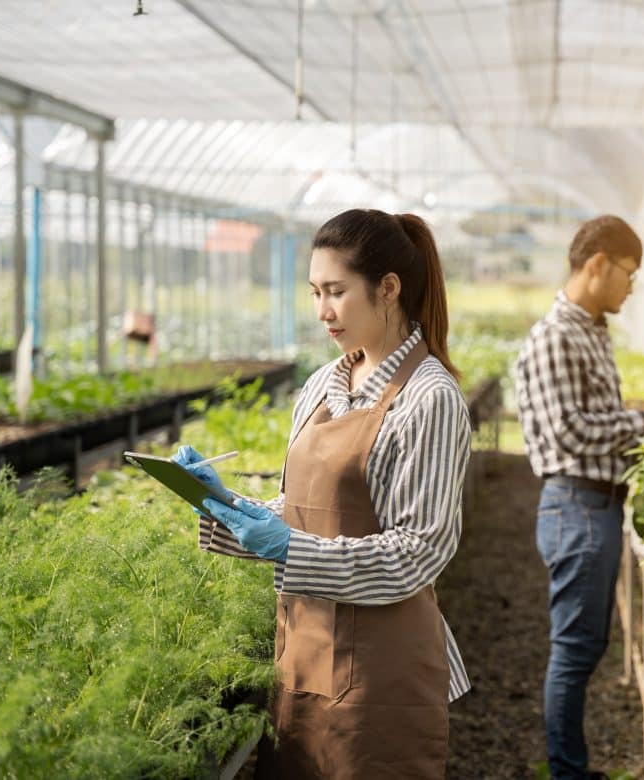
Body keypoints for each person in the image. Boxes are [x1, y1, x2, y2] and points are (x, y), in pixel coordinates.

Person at [171, 208, 471, 779]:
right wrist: (225, 504)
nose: (322, 311)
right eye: (314, 292)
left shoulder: (429, 398)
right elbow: (302, 513)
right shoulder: (322, 385)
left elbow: (419, 550)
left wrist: (290, 549)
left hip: (381, 672)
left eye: (336, 291)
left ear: (388, 288)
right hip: (303, 653)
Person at [515, 215, 644, 780]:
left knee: (586, 644)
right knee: (574, 650)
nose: (632, 287)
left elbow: (594, 418)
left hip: (596, 505)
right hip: (577, 508)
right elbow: (570, 431)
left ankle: (570, 767)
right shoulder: (556, 337)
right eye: (629, 274)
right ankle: (567, 772)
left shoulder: (589, 329)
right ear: (597, 264)